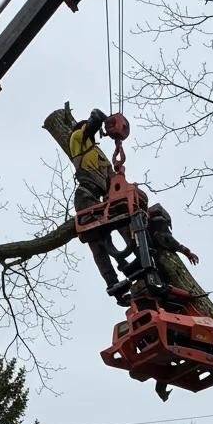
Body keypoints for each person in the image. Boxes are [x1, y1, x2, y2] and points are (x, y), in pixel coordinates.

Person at [70, 108, 124, 291]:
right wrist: (105, 120)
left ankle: (129, 264)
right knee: (97, 239)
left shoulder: (99, 154)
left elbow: (113, 178)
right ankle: (112, 282)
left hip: (101, 198)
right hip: (85, 195)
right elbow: (94, 120)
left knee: (121, 221)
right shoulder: (78, 139)